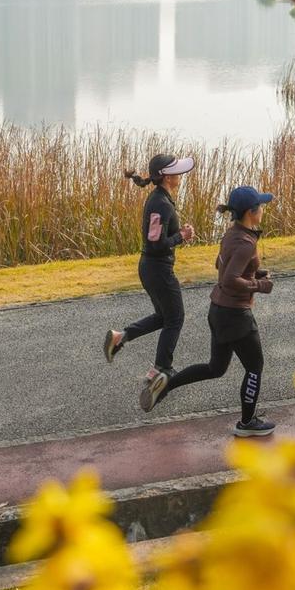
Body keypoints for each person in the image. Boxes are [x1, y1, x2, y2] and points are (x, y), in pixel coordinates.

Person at [148, 185, 276, 437]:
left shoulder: (232, 234)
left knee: (215, 368)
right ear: (251, 212)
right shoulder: (247, 243)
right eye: (260, 206)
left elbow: (221, 263)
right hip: (236, 316)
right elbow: (229, 278)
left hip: (218, 311)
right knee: (255, 367)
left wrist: (252, 272)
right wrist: (259, 285)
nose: (262, 209)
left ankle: (166, 384)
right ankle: (247, 423)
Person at [103, 154, 195, 410]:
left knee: (164, 317)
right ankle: (160, 372)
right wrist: (182, 236)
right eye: (177, 171)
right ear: (166, 176)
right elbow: (156, 244)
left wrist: (178, 235)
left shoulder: (161, 199)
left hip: (152, 268)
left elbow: (157, 239)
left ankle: (120, 337)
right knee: (175, 318)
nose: (181, 175)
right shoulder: (160, 204)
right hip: (158, 269)